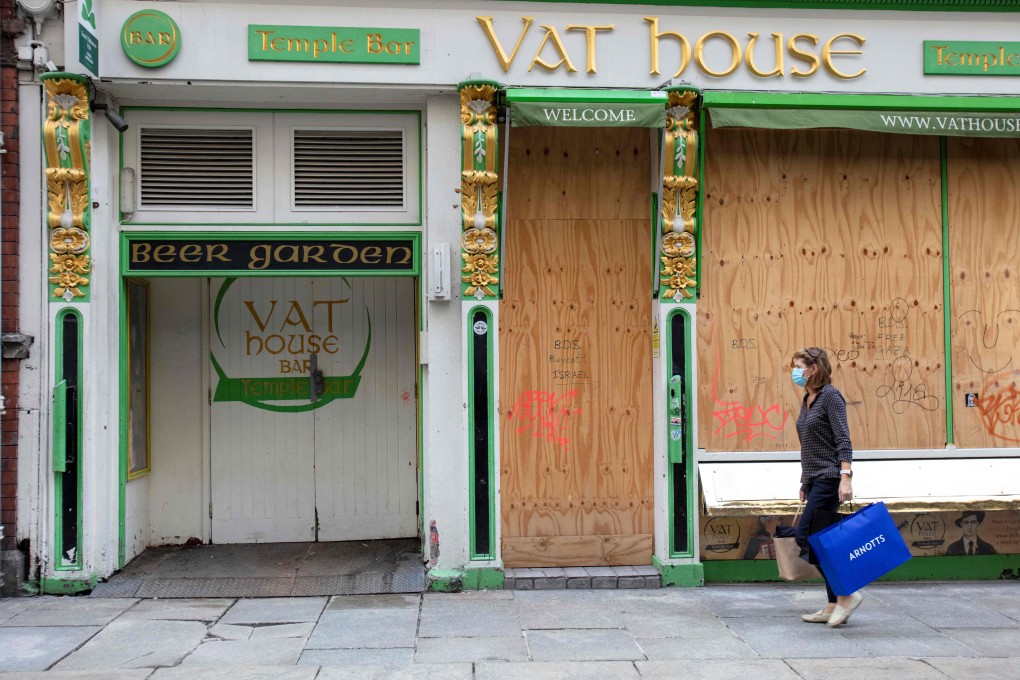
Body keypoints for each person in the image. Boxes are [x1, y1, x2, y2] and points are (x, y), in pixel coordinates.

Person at [791, 347, 863, 628]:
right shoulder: (807, 398)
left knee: (806, 536)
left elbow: (843, 439)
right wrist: (805, 481)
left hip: (830, 478)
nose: (795, 372)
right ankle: (834, 604)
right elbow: (809, 446)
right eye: (794, 367)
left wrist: (846, 476)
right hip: (815, 479)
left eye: (799, 367)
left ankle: (846, 594)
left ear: (814, 368)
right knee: (823, 540)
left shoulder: (830, 397)